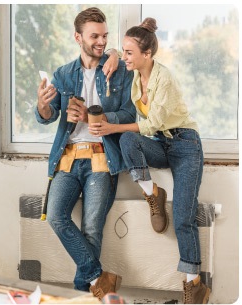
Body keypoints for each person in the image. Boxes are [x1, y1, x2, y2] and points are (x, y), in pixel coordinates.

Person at [89, 18, 209, 304]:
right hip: (161, 145)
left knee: (183, 217)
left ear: (148, 55)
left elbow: (151, 124)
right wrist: (117, 53)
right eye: (125, 52)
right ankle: (152, 193)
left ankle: (195, 285)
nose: (125, 57)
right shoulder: (133, 71)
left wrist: (111, 128)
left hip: (186, 146)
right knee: (129, 141)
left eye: (130, 53)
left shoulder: (163, 78)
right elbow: (109, 51)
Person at [36, 7, 135, 300]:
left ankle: (84, 295)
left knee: (92, 229)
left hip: (102, 158)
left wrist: (97, 116)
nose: (101, 41)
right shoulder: (64, 74)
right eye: (95, 36)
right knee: (56, 216)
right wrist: (43, 104)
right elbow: (47, 115)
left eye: (105, 36)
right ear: (78, 37)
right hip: (68, 158)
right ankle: (98, 278)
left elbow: (129, 112)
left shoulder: (118, 69)